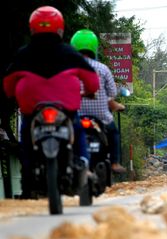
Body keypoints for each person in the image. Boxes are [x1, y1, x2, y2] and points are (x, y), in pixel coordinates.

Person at [3, 6, 100, 198]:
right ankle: (83, 164)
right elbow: (92, 81)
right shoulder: (70, 53)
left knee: (26, 138)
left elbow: (7, 84)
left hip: (32, 111)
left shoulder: (23, 54)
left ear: (32, 29)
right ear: (60, 30)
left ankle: (28, 176)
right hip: (66, 110)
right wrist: (89, 91)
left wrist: (13, 93)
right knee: (78, 130)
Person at [70, 29, 126, 173]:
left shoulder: (70, 69)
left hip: (76, 114)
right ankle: (114, 163)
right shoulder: (102, 68)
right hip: (101, 115)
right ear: (94, 48)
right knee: (113, 133)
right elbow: (112, 93)